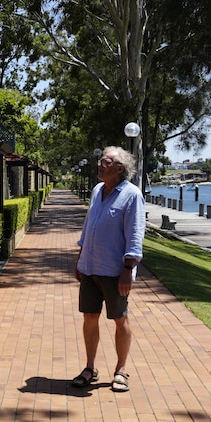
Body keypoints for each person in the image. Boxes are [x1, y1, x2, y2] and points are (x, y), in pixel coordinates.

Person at [72, 146, 145, 392]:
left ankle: (121, 370)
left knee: (120, 319)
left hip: (115, 271)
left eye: (105, 162)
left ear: (119, 168)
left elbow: (135, 235)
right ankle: (90, 368)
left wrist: (128, 269)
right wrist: (80, 258)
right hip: (90, 267)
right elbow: (88, 228)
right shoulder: (97, 191)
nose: (100, 165)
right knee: (89, 318)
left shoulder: (132, 195)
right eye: (101, 161)